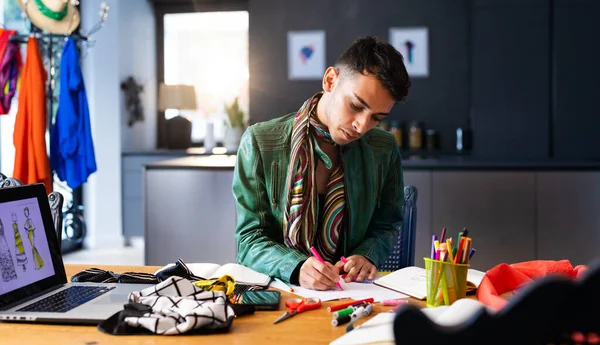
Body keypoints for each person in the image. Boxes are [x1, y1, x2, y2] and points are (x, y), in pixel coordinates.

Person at [232, 36, 411, 290]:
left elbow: (387, 224)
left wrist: (366, 254)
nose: (362, 126)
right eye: (356, 106)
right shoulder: (259, 143)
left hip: (353, 295)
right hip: (281, 293)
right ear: (330, 81)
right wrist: (295, 266)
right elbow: (250, 239)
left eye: (376, 118)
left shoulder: (384, 149)